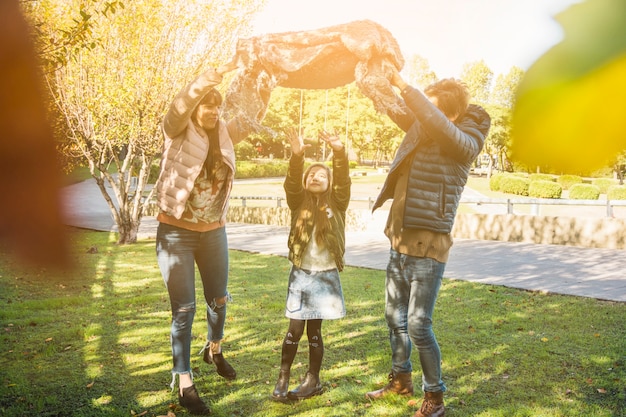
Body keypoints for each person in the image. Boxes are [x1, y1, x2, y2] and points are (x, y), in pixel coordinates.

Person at [364, 68, 491, 417]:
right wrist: (373, 80)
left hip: (429, 246)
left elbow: (435, 122)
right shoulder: (425, 130)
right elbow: (398, 109)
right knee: (394, 317)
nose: (427, 115)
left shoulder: (463, 142)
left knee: (419, 323)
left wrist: (406, 86)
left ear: (450, 113)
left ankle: (435, 398)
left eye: (434, 110)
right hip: (400, 241)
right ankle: (400, 379)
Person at [155, 57, 253, 415]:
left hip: (214, 233)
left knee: (219, 300)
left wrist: (265, 73)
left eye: (216, 106)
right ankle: (183, 380)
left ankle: (214, 349)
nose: (212, 111)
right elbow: (178, 107)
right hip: (176, 233)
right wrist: (211, 78)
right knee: (184, 309)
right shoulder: (176, 129)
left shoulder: (224, 133)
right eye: (206, 105)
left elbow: (253, 110)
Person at [271, 128, 351, 402]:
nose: (315, 177)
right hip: (302, 275)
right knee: (294, 329)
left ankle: (312, 379)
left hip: (326, 276)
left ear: (329, 182)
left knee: (314, 331)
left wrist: (339, 151)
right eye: (311, 174)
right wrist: (297, 156)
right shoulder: (298, 201)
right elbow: (292, 182)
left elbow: (343, 179)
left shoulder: (337, 203)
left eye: (322, 175)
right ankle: (283, 376)